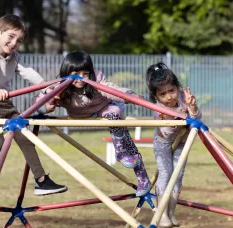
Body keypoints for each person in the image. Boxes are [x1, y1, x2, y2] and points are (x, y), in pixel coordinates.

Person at [0, 14, 67, 203]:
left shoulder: (14, 57)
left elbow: (26, 71)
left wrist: (45, 85)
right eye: (10, 37)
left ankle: (41, 180)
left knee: (25, 137)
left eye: (18, 41)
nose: (13, 43)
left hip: (5, 102)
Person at [34, 51, 151, 197]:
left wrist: (130, 96)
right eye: (76, 73)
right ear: (66, 73)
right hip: (81, 115)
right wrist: (47, 106)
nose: (81, 78)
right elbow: (40, 100)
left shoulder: (96, 81)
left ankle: (127, 158)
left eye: (85, 73)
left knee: (116, 119)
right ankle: (128, 156)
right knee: (120, 127)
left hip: (105, 108)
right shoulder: (60, 87)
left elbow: (112, 90)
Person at [146, 62, 202, 228]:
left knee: (178, 175)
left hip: (181, 144)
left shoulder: (183, 104)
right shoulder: (158, 109)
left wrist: (192, 107)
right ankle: (162, 213)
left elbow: (197, 118)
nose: (169, 97)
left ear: (178, 88)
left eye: (172, 90)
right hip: (163, 144)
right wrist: (181, 118)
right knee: (166, 173)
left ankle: (170, 212)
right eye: (163, 94)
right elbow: (169, 130)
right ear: (156, 97)